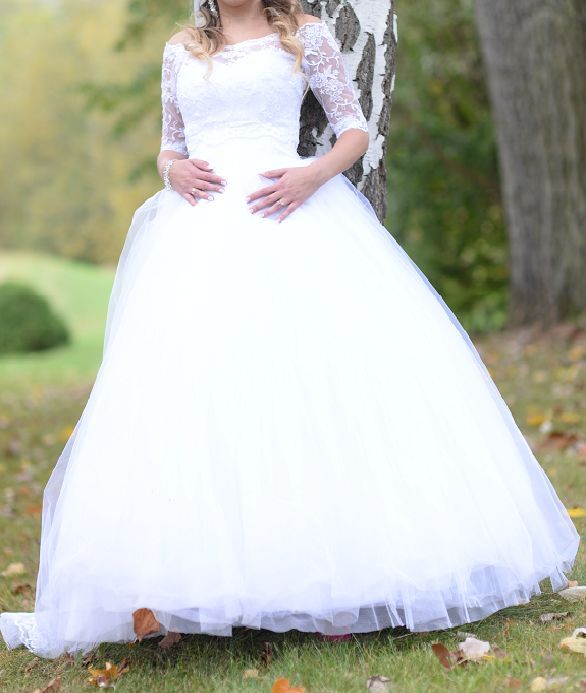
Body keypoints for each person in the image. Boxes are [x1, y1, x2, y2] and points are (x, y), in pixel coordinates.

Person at [0, 0, 580, 660]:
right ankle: (178, 586)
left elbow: (353, 131)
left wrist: (312, 174)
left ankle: (331, 579)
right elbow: (171, 142)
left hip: (286, 216)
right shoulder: (182, 48)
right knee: (191, 396)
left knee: (306, 390)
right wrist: (171, 168)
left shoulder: (303, 35)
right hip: (197, 240)